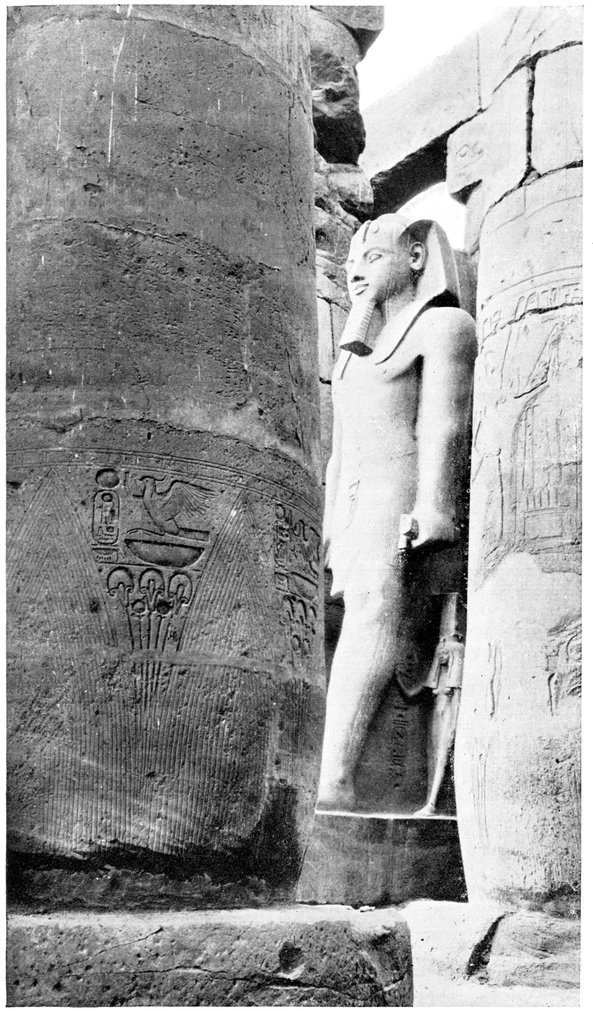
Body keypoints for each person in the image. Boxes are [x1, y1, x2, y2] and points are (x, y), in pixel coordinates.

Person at [318, 214, 476, 812]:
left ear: (415, 258)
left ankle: (337, 779)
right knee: (349, 624)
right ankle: (337, 774)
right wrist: (329, 522)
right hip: (356, 503)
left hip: (400, 499)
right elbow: (339, 451)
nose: (355, 272)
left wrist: (434, 506)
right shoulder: (353, 356)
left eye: (372, 258)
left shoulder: (444, 327)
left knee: (372, 622)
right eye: (350, 263)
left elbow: (444, 424)